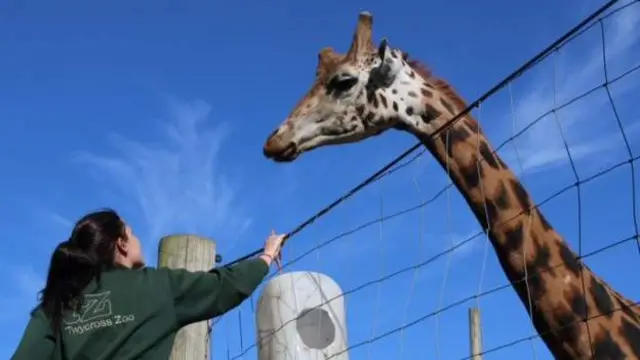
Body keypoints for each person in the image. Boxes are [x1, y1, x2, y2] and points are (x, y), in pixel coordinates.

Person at [11, 208, 286, 359]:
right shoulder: (158, 286)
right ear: (121, 244)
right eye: (131, 233)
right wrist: (266, 256)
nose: (137, 238)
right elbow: (225, 286)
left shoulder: (55, 306)